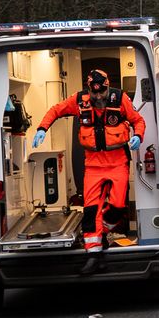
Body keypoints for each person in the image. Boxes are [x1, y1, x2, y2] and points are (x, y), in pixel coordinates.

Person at [33, 68, 145, 275]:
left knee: (118, 206)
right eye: (94, 94)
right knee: (91, 210)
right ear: (89, 90)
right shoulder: (79, 101)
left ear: (107, 87)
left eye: (101, 93)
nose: (98, 97)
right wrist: (42, 128)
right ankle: (93, 255)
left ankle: (100, 234)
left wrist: (138, 135)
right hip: (92, 164)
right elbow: (56, 110)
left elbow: (138, 120)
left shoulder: (119, 99)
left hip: (117, 162)